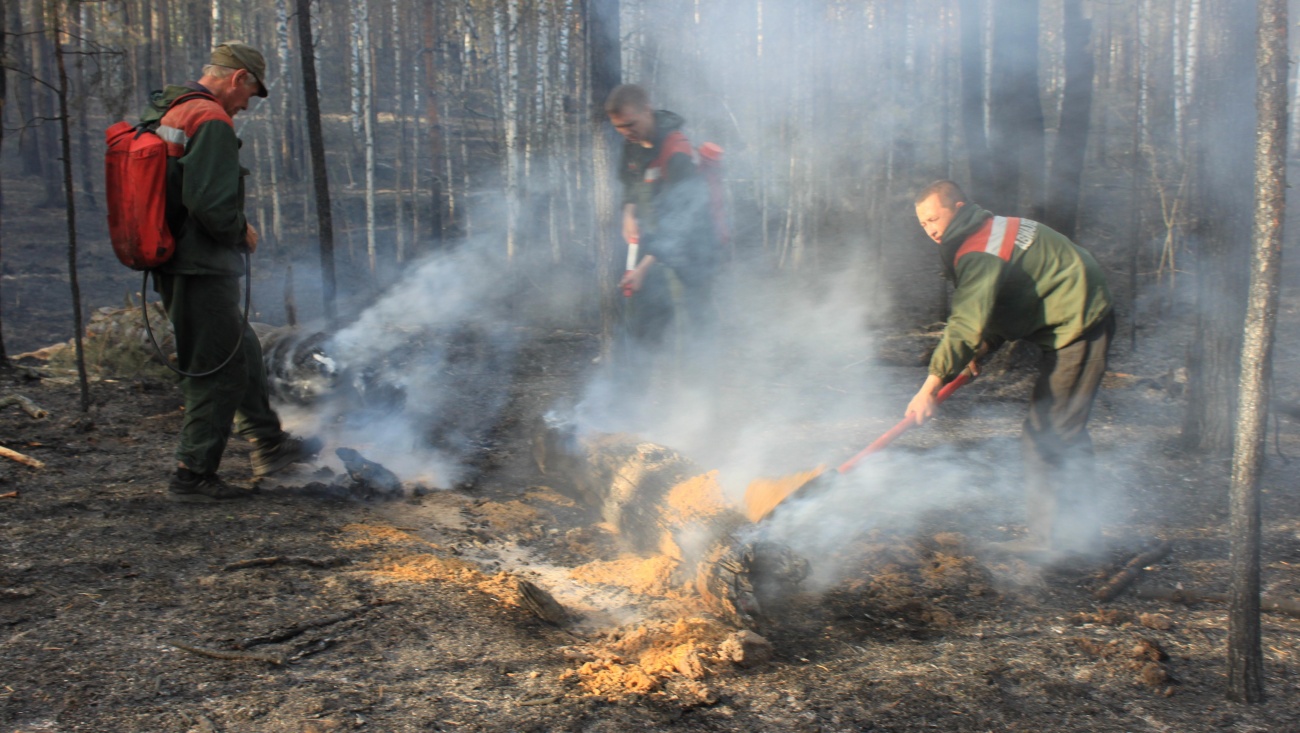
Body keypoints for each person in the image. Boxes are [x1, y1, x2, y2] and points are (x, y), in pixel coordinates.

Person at [142, 42, 318, 502]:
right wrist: (241, 231)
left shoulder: (174, 109)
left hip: (176, 259)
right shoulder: (211, 119)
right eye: (250, 93)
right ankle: (192, 475)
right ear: (238, 78)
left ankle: (271, 444)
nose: (246, 105)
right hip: (199, 265)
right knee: (216, 368)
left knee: (242, 351)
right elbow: (210, 204)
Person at [907, 180, 1115, 557]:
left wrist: (930, 386)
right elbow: (1004, 303)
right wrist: (981, 350)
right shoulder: (989, 229)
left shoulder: (978, 250)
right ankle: (1081, 539)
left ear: (958, 206)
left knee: (1048, 437)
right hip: (1068, 312)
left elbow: (966, 321)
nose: (931, 229)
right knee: (1063, 434)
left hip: (1080, 319)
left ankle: (1057, 547)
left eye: (935, 218)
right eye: (923, 224)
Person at [605, 84, 719, 359]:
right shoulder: (632, 145)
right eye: (619, 127)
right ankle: (646, 389)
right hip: (657, 247)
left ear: (647, 110)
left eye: (630, 124)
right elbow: (631, 182)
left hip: (691, 252)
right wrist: (628, 212)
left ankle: (699, 393)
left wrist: (643, 267)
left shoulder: (676, 152)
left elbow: (682, 219)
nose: (625, 133)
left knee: (693, 328)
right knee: (650, 325)